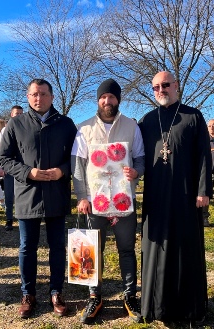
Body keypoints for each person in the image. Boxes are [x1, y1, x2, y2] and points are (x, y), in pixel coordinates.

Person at [0, 78, 77, 319]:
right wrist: (27, 172)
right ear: (28, 97)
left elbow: (78, 157)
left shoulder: (66, 124)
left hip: (56, 194)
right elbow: (2, 158)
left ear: (52, 97)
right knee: (27, 247)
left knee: (57, 247)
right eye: (34, 94)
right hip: (27, 194)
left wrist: (63, 170)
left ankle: (56, 292)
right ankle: (28, 294)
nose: (38, 98)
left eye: (43, 94)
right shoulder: (16, 124)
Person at [138, 71, 212, 325]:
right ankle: (154, 307)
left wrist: (203, 191)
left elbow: (204, 156)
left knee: (185, 249)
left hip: (185, 195)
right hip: (155, 196)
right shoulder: (147, 120)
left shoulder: (193, 117)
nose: (161, 90)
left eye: (166, 85)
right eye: (156, 87)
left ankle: (189, 309)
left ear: (177, 86)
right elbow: (135, 157)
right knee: (155, 248)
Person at [71, 78, 145, 324]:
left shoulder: (132, 127)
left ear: (118, 100)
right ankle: (95, 296)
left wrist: (136, 172)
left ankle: (129, 295)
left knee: (127, 249)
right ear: (98, 100)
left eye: (112, 97)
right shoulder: (84, 128)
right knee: (91, 250)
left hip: (124, 201)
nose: (107, 101)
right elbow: (78, 167)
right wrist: (82, 196)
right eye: (103, 97)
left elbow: (141, 159)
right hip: (94, 203)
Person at [0, 106, 23, 231]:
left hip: (24, 167)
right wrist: (1, 167)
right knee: (9, 194)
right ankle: (9, 219)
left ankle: (23, 217)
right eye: (16, 113)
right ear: (11, 115)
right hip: (9, 167)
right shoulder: (5, 130)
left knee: (23, 195)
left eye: (21, 113)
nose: (19, 115)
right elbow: (1, 152)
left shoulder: (26, 128)